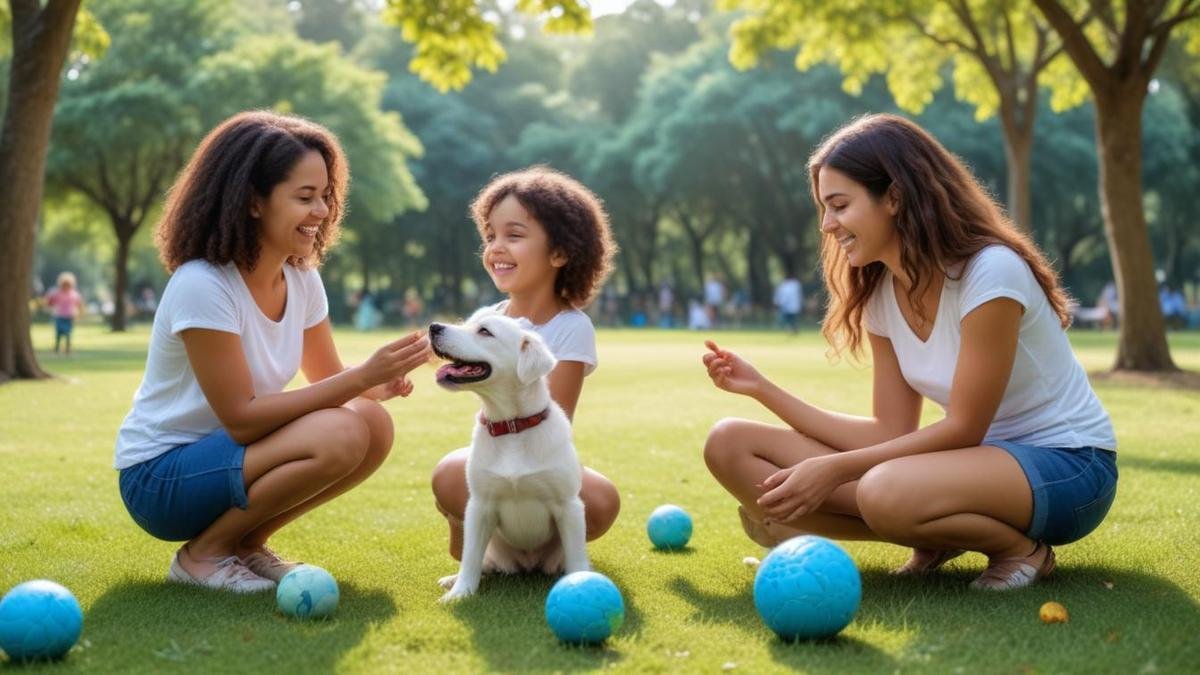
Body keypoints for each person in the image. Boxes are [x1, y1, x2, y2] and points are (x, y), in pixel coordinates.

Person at [702, 114, 1116, 591]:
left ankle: (1019, 551)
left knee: (882, 489)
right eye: (823, 208)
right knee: (729, 442)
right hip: (971, 468)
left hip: (1070, 468)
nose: (827, 225)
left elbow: (964, 426)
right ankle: (932, 529)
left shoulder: (990, 272)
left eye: (839, 205)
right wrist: (760, 388)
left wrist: (833, 470)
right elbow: (888, 430)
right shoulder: (881, 292)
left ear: (894, 197)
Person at [114, 111, 432, 593]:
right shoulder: (203, 284)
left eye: (325, 196)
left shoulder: (301, 278)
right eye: (305, 197)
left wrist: (373, 383)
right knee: (342, 430)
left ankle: (246, 544)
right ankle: (202, 555)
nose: (322, 212)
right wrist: (360, 376)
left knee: (371, 422)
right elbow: (242, 418)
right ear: (254, 201)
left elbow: (329, 378)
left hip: (233, 458)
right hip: (160, 478)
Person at [431, 166, 621, 565]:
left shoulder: (571, 327)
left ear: (559, 253)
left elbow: (556, 416)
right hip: (496, 453)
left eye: (513, 236)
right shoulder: (490, 317)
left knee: (601, 500)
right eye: (490, 236)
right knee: (449, 472)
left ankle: (546, 553)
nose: (496, 247)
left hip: (542, 453)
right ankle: (477, 542)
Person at [44, 271, 84, 354]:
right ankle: (57, 348)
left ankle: (67, 349)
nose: (66, 287)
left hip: (69, 316)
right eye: (64, 285)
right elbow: (50, 301)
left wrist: (80, 313)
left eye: (68, 285)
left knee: (68, 333)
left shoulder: (74, 294)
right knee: (58, 333)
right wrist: (48, 305)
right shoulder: (56, 293)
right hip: (59, 315)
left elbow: (79, 304)